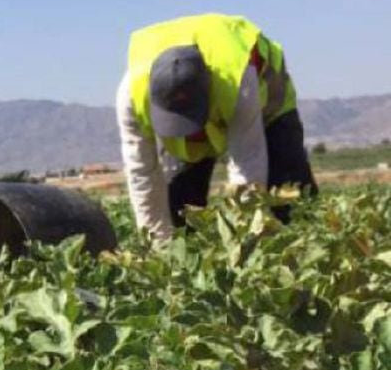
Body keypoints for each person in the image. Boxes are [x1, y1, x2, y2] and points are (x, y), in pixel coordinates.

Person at [116, 13, 317, 242]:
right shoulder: (130, 97)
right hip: (209, 106)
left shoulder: (237, 82)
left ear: (209, 91)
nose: (189, 131)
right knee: (180, 209)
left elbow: (247, 166)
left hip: (269, 106)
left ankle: (312, 251)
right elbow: (141, 173)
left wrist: (245, 244)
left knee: (292, 197)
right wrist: (157, 243)